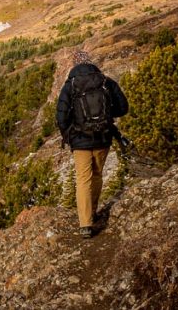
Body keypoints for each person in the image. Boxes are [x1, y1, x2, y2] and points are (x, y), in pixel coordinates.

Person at [55, 49, 129, 238]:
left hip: (80, 140)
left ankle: (85, 223)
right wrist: (106, 117)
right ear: (90, 62)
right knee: (97, 175)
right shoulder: (106, 82)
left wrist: (69, 135)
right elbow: (123, 108)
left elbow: (61, 117)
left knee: (83, 179)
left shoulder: (70, 86)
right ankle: (93, 211)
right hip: (103, 137)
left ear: (74, 65)